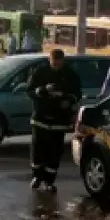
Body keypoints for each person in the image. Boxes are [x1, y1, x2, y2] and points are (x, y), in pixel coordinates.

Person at [26, 49, 82, 192]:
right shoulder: (40, 72)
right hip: (40, 118)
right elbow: (29, 91)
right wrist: (43, 89)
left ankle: (49, 181)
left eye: (59, 63)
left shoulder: (70, 75)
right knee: (37, 150)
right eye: (54, 63)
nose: (56, 66)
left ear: (63, 61)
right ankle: (37, 177)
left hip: (59, 120)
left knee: (55, 152)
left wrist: (68, 100)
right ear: (49, 60)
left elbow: (77, 93)